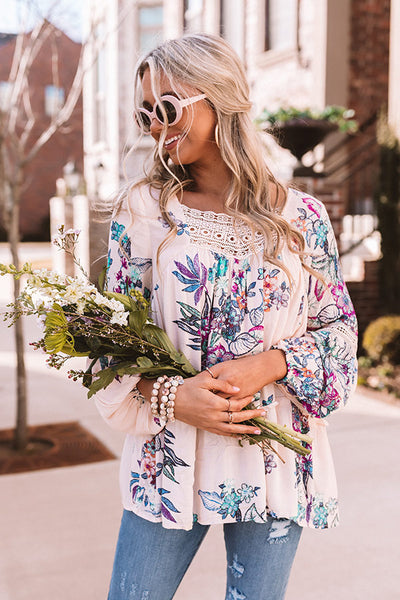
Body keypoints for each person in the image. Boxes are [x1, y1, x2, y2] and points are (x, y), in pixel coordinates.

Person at [94, 33, 358, 600]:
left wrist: (273, 362)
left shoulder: (302, 217)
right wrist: (173, 397)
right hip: (169, 457)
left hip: (271, 458)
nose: (155, 126)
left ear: (219, 98)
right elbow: (105, 337)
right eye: (145, 113)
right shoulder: (143, 211)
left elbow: (338, 330)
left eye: (167, 107)